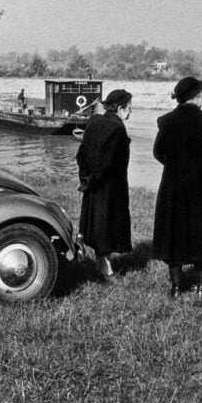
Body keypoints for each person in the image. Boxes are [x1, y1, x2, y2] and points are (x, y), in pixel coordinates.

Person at [152, 77, 202, 298]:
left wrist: (174, 166)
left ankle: (175, 287)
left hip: (172, 184)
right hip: (199, 184)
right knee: (200, 229)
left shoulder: (166, 121)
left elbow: (158, 152)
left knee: (172, 230)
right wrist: (201, 168)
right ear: (195, 97)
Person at [76, 88, 134, 279]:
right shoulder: (117, 128)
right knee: (107, 227)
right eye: (129, 108)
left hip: (93, 185)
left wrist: (86, 179)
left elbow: (81, 154)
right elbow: (109, 162)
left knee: (96, 225)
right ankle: (106, 270)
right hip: (110, 187)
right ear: (119, 108)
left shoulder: (94, 121)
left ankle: (99, 264)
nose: (130, 112)